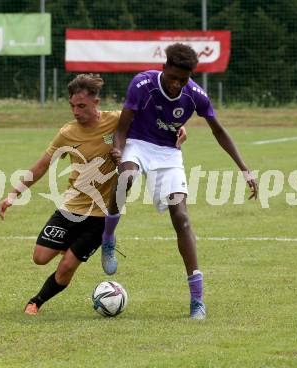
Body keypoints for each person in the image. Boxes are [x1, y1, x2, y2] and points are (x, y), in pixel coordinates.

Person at [0, 74, 186, 316]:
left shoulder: (117, 120)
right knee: (40, 257)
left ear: (96, 102)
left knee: (66, 268)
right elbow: (43, 164)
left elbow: (157, 121)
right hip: (71, 207)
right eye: (73, 106)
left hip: (102, 215)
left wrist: (180, 128)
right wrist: (14, 194)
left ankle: (36, 302)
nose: (76, 111)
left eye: (82, 106)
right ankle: (72, 248)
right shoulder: (67, 133)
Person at [101, 43, 259, 320]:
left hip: (168, 154)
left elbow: (218, 131)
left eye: (182, 80)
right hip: (137, 142)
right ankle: (108, 237)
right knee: (126, 176)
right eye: (172, 77)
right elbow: (123, 128)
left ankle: (197, 300)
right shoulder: (142, 84)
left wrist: (245, 169)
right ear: (164, 68)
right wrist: (118, 148)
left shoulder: (196, 95)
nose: (176, 84)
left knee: (182, 218)